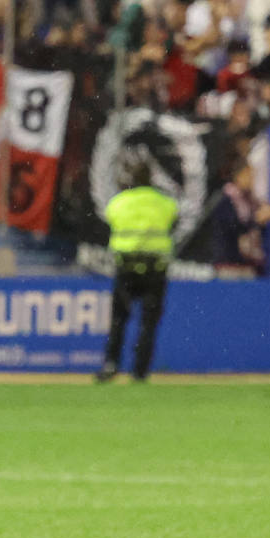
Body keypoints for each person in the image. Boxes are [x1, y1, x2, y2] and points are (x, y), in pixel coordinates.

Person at [97, 157, 179, 383]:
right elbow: (174, 219)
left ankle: (111, 365)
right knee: (149, 322)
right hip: (155, 269)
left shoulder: (119, 202)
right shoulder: (164, 202)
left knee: (118, 320)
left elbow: (110, 220)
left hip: (126, 268)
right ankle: (140, 371)